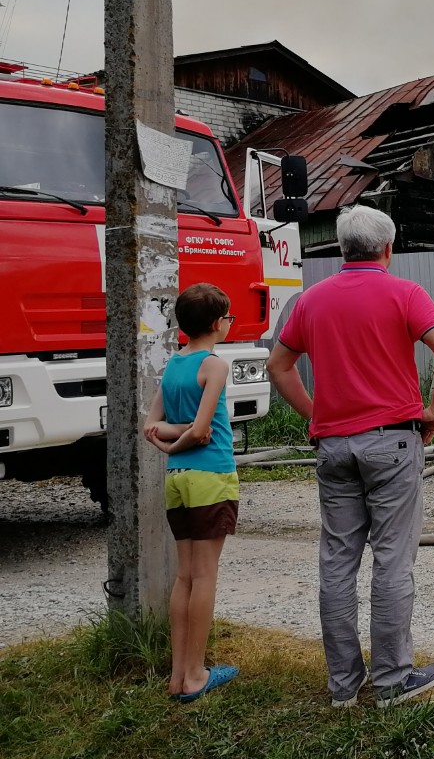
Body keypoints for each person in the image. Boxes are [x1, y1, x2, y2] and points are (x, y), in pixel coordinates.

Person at [266, 204, 434, 710]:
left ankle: (343, 685)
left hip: (333, 447)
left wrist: (316, 413)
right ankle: (393, 681)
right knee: (393, 560)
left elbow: (279, 364)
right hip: (394, 442)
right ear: (388, 249)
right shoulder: (405, 293)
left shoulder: (311, 301)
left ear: (340, 247)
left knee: (336, 561)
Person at [143, 282, 241, 703]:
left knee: (184, 576)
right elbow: (202, 431)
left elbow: (152, 423)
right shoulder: (214, 365)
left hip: (177, 479)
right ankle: (196, 675)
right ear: (218, 324)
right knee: (204, 577)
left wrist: (170, 440)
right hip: (211, 477)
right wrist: (179, 438)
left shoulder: (173, 365)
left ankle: (177, 675)